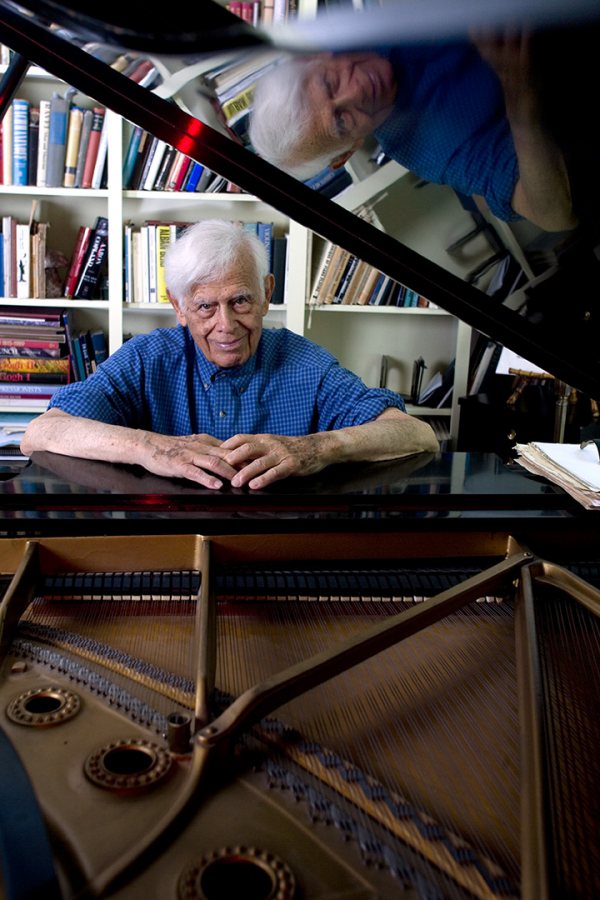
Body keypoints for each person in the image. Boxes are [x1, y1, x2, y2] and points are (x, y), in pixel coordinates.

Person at [21, 220, 438, 490]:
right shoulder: (146, 358)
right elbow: (42, 432)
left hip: (281, 558)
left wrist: (313, 449)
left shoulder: (305, 362)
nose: (226, 325)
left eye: (240, 301)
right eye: (205, 307)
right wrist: (154, 448)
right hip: (165, 554)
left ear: (266, 294)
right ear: (179, 307)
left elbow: (416, 435)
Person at [248, 32, 577, 233]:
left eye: (330, 83)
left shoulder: (359, 19)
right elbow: (556, 214)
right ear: (348, 150)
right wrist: (521, 100)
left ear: (316, 57)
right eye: (342, 121)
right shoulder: (427, 151)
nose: (358, 90)